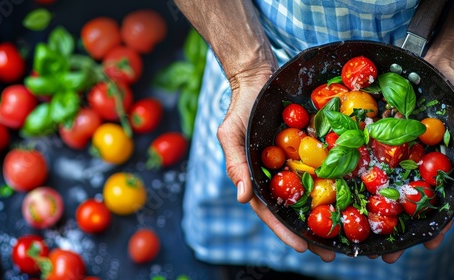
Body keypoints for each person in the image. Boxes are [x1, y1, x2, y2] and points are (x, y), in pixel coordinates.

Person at [174, 0, 454, 279]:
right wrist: (248, 70)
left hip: (430, 45)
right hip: (253, 43)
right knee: (237, 210)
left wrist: (448, 58)